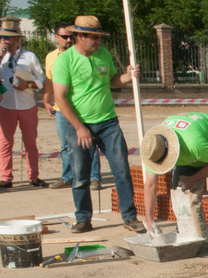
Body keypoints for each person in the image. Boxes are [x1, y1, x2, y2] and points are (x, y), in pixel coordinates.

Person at [52, 15, 143, 234]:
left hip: (108, 123)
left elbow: (112, 81)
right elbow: (60, 98)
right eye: (94, 38)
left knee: (122, 171)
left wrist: (128, 77)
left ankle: (130, 217)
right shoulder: (64, 61)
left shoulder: (103, 55)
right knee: (81, 175)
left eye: (100, 37)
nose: (98, 42)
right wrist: (79, 127)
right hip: (79, 125)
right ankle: (83, 219)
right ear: (79, 36)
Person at [140, 113, 208, 255]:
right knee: (180, 192)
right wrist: (149, 221)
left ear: (172, 151)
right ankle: (186, 234)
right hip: (193, 150)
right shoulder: (153, 149)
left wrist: (193, 178)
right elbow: (150, 185)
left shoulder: (193, 144)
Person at [0, 16, 47, 189]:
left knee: (30, 143)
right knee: (5, 143)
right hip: (6, 106)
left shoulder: (30, 56)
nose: (3, 40)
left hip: (27, 105)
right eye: (1, 37)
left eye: (7, 37)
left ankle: (33, 176)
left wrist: (29, 84)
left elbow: (41, 78)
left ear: (17, 39)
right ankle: (6, 177)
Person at [44, 22, 101, 191]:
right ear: (56, 38)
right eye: (64, 37)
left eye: (70, 36)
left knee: (90, 142)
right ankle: (68, 176)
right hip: (62, 110)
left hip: (82, 110)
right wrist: (46, 99)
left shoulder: (85, 55)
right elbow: (49, 80)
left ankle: (94, 177)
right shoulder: (51, 57)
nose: (68, 40)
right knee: (65, 145)